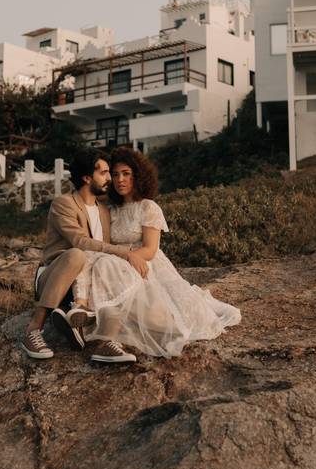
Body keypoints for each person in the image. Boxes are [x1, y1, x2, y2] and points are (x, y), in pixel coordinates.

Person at [77, 146, 241, 358]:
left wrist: (131, 256)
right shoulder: (110, 210)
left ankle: (113, 336)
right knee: (101, 267)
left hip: (147, 264)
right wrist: (123, 256)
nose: (120, 180)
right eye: (115, 175)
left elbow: (150, 249)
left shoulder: (148, 207)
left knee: (173, 320)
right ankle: (97, 327)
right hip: (120, 263)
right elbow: (107, 244)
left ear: (138, 176)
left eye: (126, 174)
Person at [20, 148, 148, 364]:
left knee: (111, 267)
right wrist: (127, 253)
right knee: (78, 255)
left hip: (85, 286)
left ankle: (100, 337)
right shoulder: (64, 204)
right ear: (87, 177)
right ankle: (33, 329)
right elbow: (80, 241)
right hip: (56, 277)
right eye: (104, 173)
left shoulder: (105, 211)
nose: (110, 179)